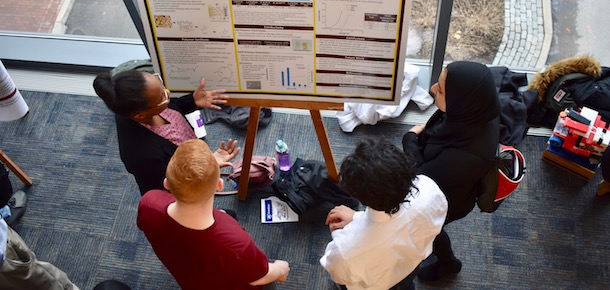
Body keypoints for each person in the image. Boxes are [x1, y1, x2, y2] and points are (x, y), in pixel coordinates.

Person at [137, 139, 290, 290]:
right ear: (220, 185)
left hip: (189, 277)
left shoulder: (149, 203)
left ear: (166, 184)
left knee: (228, 214)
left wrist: (204, 168)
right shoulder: (237, 245)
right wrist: (280, 269)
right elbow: (259, 278)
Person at [402, 61, 501, 281]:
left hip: (447, 201)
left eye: (442, 89)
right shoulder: (477, 112)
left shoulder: (469, 154)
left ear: (462, 102)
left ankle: (448, 263)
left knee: (431, 229)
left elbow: (420, 177)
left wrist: (409, 139)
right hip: (451, 182)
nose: (432, 88)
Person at [320, 137, 448, 290]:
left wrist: (344, 233)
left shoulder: (346, 250)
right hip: (412, 266)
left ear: (359, 196)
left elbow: (338, 274)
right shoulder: (430, 189)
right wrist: (356, 217)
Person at [93, 70, 240, 195]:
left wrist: (192, 101)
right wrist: (209, 165)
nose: (168, 93)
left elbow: (173, 107)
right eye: (161, 96)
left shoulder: (148, 106)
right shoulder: (143, 157)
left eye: (162, 87)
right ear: (140, 115)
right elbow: (175, 184)